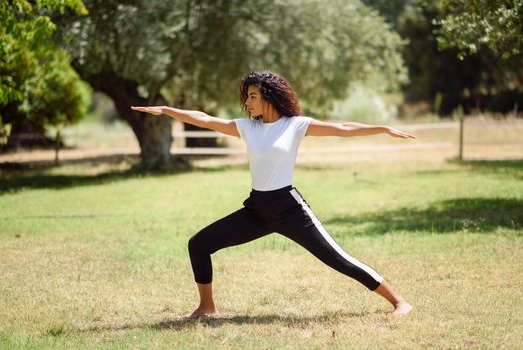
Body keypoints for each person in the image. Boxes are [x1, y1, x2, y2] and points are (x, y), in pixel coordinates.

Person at [131, 70, 414, 319]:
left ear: (269, 96)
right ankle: (207, 307)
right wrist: (168, 110)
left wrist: (384, 128)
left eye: (253, 96)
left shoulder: (296, 125)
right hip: (257, 210)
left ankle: (399, 301)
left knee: (338, 258)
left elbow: (343, 129)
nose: (248, 102)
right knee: (199, 244)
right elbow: (204, 119)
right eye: (247, 97)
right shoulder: (247, 128)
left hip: (289, 210)